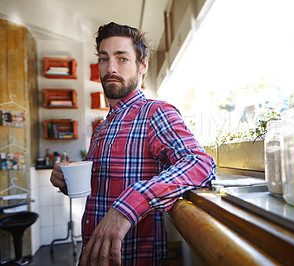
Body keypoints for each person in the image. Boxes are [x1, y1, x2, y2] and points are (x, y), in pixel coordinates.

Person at [50, 22, 216, 265]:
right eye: (104, 59)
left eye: (122, 58)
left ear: (142, 65)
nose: (110, 68)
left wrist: (126, 207)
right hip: (93, 255)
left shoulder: (156, 113)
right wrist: (66, 181)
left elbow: (200, 164)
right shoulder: (102, 128)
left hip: (135, 258)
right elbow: (101, 188)